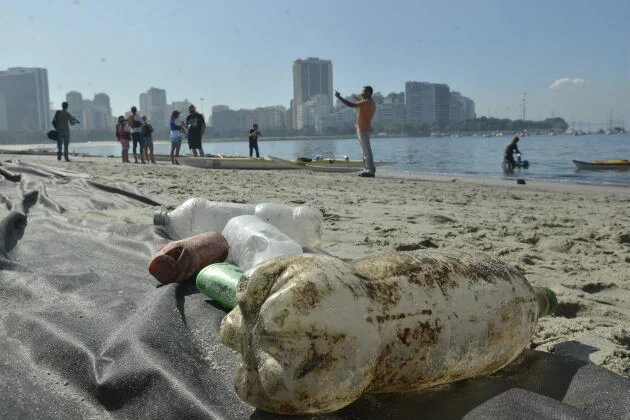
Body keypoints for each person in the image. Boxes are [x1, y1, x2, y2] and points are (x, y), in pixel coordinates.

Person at [335, 86, 377, 177]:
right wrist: (357, 98)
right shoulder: (370, 102)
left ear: (369, 93)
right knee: (364, 151)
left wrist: (339, 97)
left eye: (364, 92)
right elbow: (362, 102)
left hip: (363, 129)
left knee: (366, 151)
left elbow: (351, 105)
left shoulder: (366, 102)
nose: (362, 93)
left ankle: (370, 171)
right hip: (363, 129)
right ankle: (368, 169)